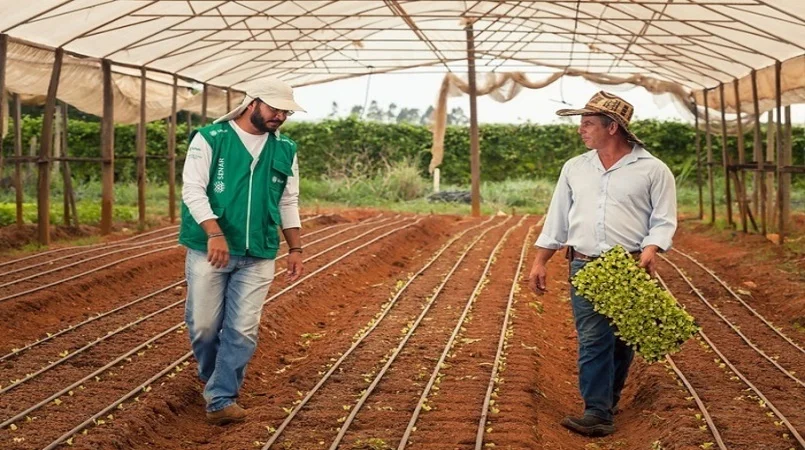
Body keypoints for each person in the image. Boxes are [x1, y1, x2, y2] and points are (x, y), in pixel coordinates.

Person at [527, 91, 677, 437]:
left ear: (612, 127)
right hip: (584, 264)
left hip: (628, 266)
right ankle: (596, 410)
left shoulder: (653, 170)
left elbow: (664, 219)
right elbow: (557, 219)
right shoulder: (575, 168)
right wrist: (540, 261)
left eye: (588, 123)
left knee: (622, 341)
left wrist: (652, 247)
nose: (581, 129)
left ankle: (607, 401)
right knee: (594, 338)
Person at [179, 78, 305, 425]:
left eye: (286, 112)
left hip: (259, 251)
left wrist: (295, 247)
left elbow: (288, 200)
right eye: (275, 109)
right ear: (252, 104)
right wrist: (214, 232)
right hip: (210, 248)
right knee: (204, 326)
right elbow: (192, 190)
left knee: (242, 329)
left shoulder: (285, 149)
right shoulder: (210, 139)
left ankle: (221, 397)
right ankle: (213, 377)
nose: (280, 116)